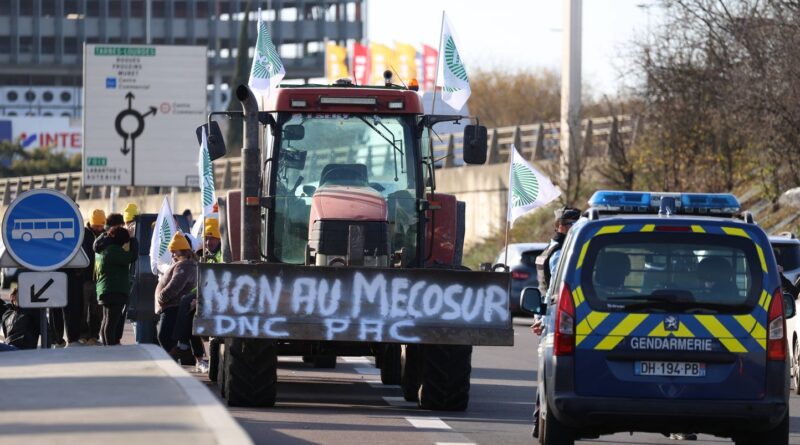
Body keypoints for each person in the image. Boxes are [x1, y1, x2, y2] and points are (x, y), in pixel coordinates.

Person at [530, 207, 581, 439]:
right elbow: (552, 289)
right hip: (555, 317)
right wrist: (542, 317)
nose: (575, 229)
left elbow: (543, 291)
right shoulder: (561, 253)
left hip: (548, 315)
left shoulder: (550, 248)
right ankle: (543, 417)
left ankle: (540, 417)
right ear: (562, 226)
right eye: (573, 225)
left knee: (546, 370)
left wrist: (538, 316)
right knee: (552, 373)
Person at [171, 218, 221, 370]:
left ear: (219, 239)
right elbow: (202, 281)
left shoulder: (221, 256)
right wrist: (196, 294)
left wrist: (199, 297)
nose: (208, 243)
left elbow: (216, 282)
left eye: (212, 239)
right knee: (187, 305)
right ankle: (187, 347)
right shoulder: (206, 255)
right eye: (206, 239)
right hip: (205, 293)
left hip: (217, 296)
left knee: (188, 305)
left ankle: (182, 343)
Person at [155, 233, 198, 355]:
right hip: (171, 306)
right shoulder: (183, 264)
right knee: (168, 338)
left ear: (183, 251)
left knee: (165, 337)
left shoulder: (185, 265)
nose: (172, 254)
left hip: (172, 306)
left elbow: (175, 286)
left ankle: (174, 361)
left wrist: (161, 298)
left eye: (175, 251)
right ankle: (175, 360)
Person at [95, 225, 138, 345]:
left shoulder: (105, 249)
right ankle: (110, 348)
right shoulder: (113, 251)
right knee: (111, 323)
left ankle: (107, 347)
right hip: (114, 290)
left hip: (106, 289)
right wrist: (133, 239)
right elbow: (132, 256)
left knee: (106, 321)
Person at [79, 208, 105, 345]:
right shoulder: (83, 235)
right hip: (85, 278)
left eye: (101, 225)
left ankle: (94, 335)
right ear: (91, 223)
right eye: (97, 225)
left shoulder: (105, 235)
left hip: (99, 279)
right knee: (82, 309)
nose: (99, 228)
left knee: (97, 310)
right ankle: (82, 335)